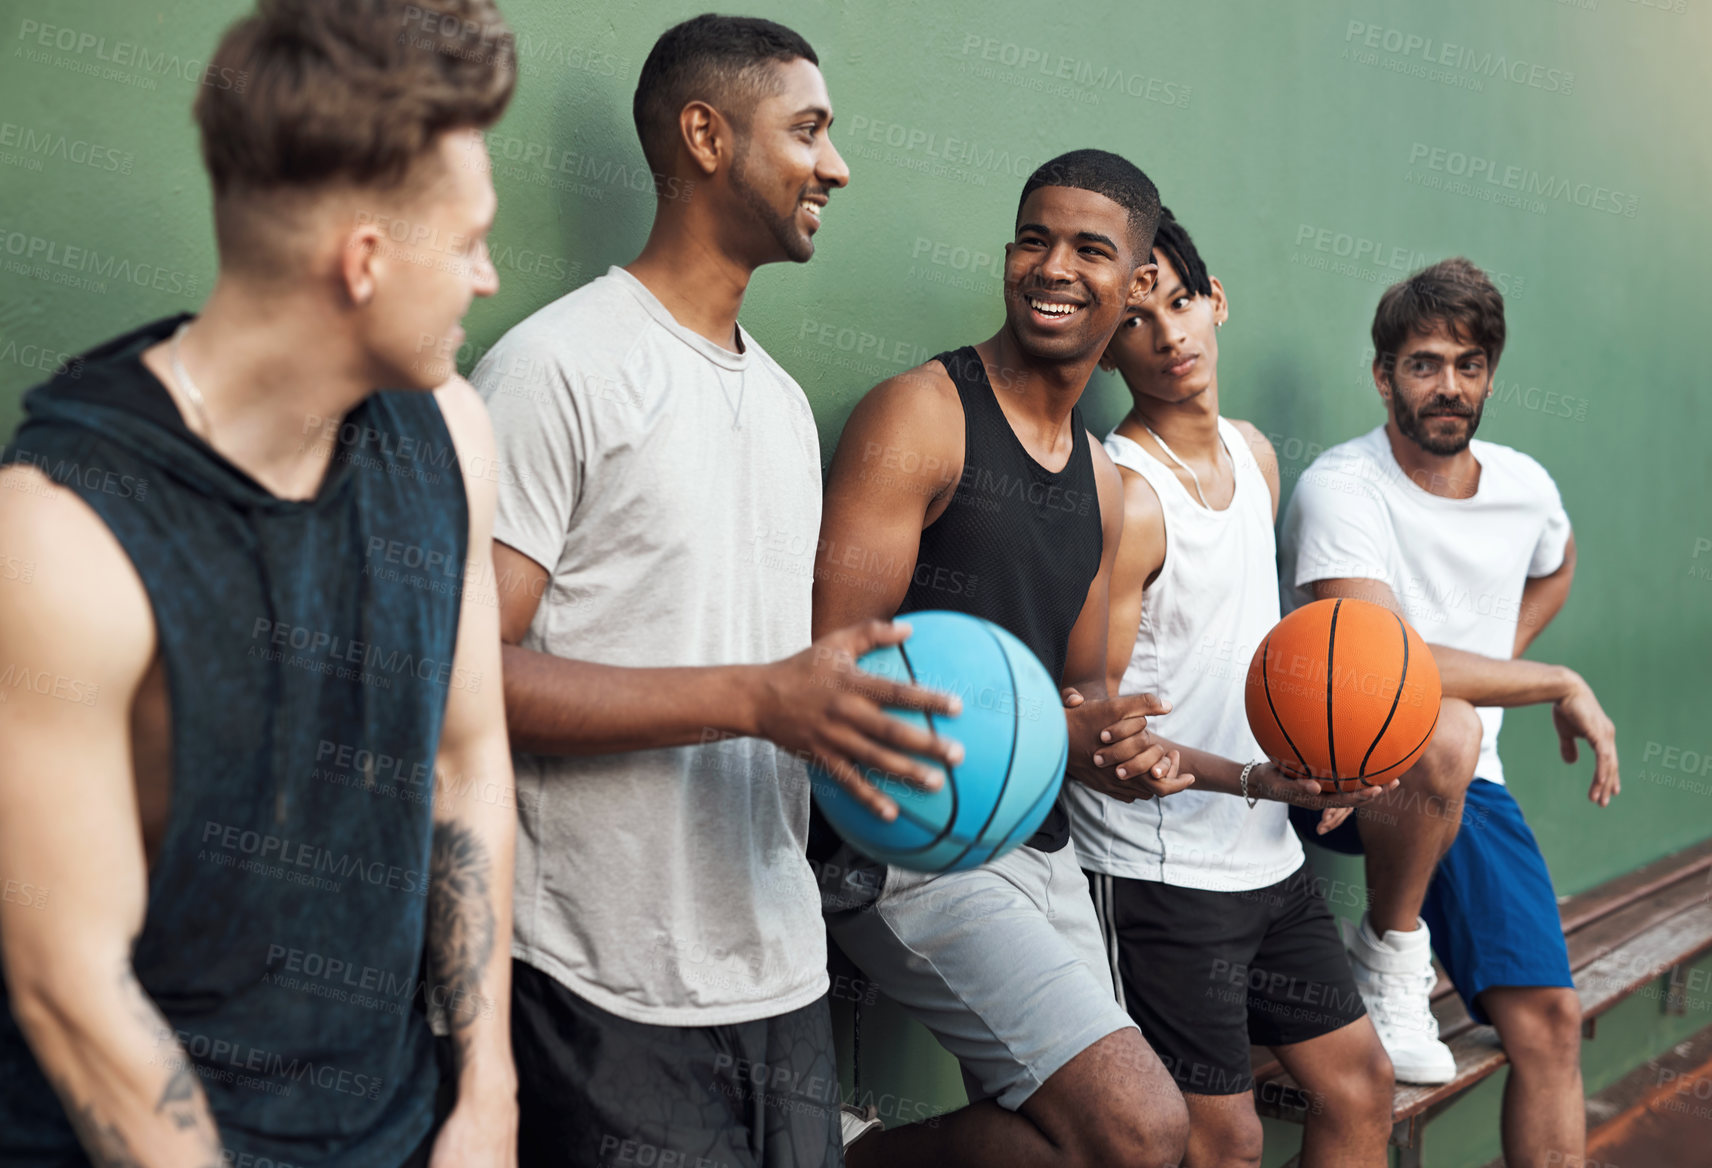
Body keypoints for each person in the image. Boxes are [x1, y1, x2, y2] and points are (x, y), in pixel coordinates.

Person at [0, 2, 522, 1165]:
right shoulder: (61, 534)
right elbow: (69, 991)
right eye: (473, 237)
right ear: (366, 260)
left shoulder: (450, 433)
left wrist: (487, 1095)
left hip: (400, 1125)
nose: (490, 277)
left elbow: (464, 757)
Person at [472, 15, 960, 1167]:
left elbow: (777, 676)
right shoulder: (555, 369)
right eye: (806, 130)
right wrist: (757, 697)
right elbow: (463, 678)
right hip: (602, 983)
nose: (833, 165)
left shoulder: (786, 407)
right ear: (704, 135)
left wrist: (854, 729)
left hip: (782, 971)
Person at [811, 148, 1192, 1168]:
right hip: (914, 842)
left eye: (1087, 248)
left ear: (1138, 282)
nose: (1051, 266)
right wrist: (1032, 729)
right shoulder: (922, 416)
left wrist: (1117, 746)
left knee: (1061, 1151)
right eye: (1033, 238)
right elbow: (830, 674)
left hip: (1042, 843)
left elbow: (1082, 695)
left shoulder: (1107, 487)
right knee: (1143, 1131)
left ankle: (850, 1154)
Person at [1066, 208, 1396, 1167]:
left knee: (1360, 1085)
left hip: (1268, 861)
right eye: (1135, 321)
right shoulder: (1128, 494)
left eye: (1180, 303)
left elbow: (1256, 648)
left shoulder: (1254, 456)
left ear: (1217, 302)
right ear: (1107, 348)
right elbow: (1102, 734)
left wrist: (1328, 757)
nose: (1168, 336)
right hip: (1161, 877)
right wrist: (1257, 782)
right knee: (1224, 1139)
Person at [1279, 257, 1620, 1165]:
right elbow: (1390, 672)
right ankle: (1392, 954)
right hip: (1334, 768)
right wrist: (1551, 678)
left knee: (1551, 1022)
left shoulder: (1523, 487)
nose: (1449, 386)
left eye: (1469, 365)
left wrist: (1504, 653)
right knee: (1447, 726)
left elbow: (1559, 556)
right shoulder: (1342, 489)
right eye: (1425, 363)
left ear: (1491, 376)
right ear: (1384, 373)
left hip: (1465, 778)